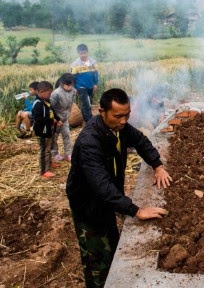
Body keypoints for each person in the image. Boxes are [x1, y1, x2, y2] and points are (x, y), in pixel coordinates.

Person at [66, 88, 171, 288]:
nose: (123, 121)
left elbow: (141, 141)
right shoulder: (90, 142)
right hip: (88, 204)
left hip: (108, 200)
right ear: (101, 112)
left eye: (127, 115)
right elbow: (101, 186)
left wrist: (157, 165)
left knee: (112, 240)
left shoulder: (118, 129)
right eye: (118, 116)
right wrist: (136, 210)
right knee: (96, 257)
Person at [32, 81, 62, 178]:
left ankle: (49, 164)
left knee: (49, 148)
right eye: (49, 93)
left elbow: (52, 111)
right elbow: (37, 119)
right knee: (44, 150)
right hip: (43, 131)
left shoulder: (46, 101)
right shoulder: (38, 104)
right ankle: (44, 170)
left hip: (49, 129)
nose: (50, 95)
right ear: (41, 92)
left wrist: (57, 119)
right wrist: (50, 120)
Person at [51, 73, 76, 162]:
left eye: (71, 85)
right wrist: (55, 119)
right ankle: (54, 153)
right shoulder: (56, 93)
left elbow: (71, 102)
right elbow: (50, 107)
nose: (70, 87)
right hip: (55, 119)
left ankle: (68, 153)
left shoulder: (73, 91)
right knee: (54, 137)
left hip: (65, 118)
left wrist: (68, 115)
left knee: (67, 135)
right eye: (67, 85)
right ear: (61, 83)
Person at [71, 44, 99, 123]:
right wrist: (74, 87)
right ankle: (89, 120)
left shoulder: (92, 62)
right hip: (81, 87)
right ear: (78, 54)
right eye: (81, 53)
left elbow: (96, 74)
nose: (83, 55)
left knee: (89, 102)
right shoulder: (75, 64)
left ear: (88, 52)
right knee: (86, 103)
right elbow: (73, 77)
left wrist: (95, 84)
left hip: (90, 85)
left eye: (84, 53)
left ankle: (85, 118)